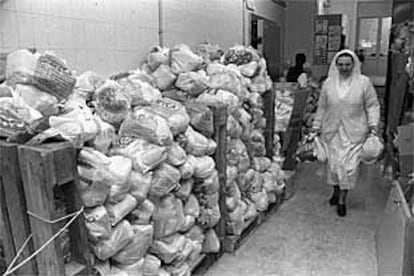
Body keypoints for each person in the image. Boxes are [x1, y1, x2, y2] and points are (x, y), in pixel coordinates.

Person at [311, 49, 380, 217]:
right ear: (336, 65)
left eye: (347, 64)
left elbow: (372, 106)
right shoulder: (328, 83)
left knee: (348, 168)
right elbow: (322, 107)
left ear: (354, 64)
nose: (344, 68)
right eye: (340, 65)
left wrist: (373, 126)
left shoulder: (364, 83)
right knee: (335, 167)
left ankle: (342, 200)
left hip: (355, 132)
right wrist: (316, 126)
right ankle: (336, 191)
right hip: (332, 131)